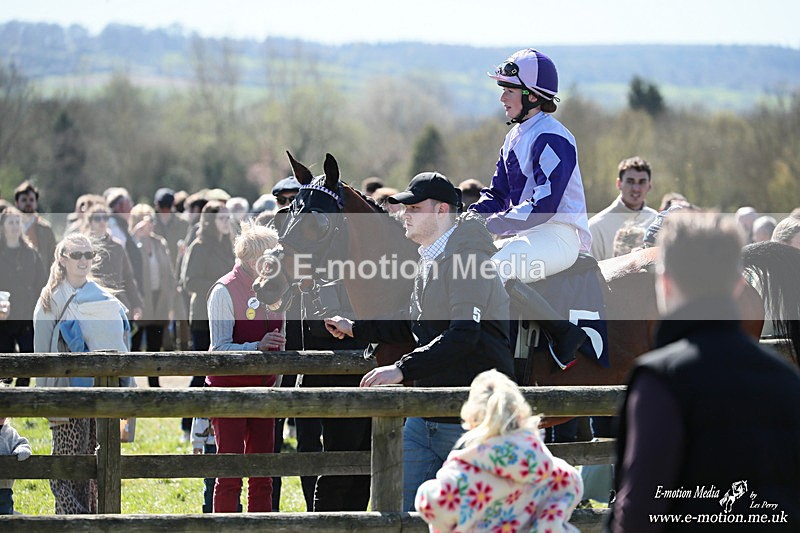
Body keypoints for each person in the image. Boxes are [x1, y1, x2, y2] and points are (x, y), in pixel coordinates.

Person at [324, 172, 514, 512]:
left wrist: (400, 369)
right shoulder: (429, 259)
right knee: (400, 513)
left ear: (442, 211)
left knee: (472, 520)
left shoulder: (469, 261)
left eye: (414, 207)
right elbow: (411, 322)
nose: (404, 213)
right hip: (424, 415)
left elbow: (463, 335)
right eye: (403, 207)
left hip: (470, 419)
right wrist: (357, 328)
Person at [609, 213, 800, 532]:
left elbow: (638, 508)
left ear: (665, 283)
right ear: (739, 283)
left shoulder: (657, 380)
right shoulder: (787, 379)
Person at [468, 48, 591, 365]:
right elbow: (496, 194)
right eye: (503, 89)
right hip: (526, 232)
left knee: (493, 271)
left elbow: (543, 206)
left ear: (533, 97)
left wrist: (490, 224)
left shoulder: (552, 136)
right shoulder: (513, 136)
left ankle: (563, 334)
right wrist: (466, 218)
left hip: (558, 235)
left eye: (509, 90)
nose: (503, 98)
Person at [33, 233, 131, 514]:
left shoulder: (104, 298)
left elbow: (120, 341)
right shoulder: (50, 299)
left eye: (89, 255)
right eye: (77, 255)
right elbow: (40, 355)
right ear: (62, 258)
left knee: (94, 462)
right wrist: (47, 398)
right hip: (65, 392)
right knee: (66, 462)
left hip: (100, 391)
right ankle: (72, 518)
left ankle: (92, 518)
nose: (84, 260)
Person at [415, 369, 583, 532]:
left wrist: (427, 488)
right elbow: (573, 491)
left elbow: (433, 505)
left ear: (473, 420)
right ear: (522, 415)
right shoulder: (559, 474)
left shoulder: (464, 475)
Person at [206, 220, 285, 512]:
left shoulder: (276, 289)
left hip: (265, 393)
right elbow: (219, 349)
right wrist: (257, 347)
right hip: (228, 393)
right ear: (252, 259)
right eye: (272, 256)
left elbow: (281, 336)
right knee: (230, 474)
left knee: (263, 475)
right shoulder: (223, 291)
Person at [180, 201, 235, 439]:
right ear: (210, 221)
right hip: (203, 315)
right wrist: (220, 287)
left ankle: (216, 423)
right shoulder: (199, 246)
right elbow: (189, 281)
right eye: (222, 218)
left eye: (227, 218)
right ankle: (186, 423)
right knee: (201, 371)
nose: (226, 222)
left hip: (228, 315)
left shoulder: (229, 245)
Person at [128, 203, 177, 386]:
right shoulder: (131, 244)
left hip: (159, 300)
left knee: (155, 345)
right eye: (144, 222)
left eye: (150, 222)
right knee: (134, 343)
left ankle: (154, 383)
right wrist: (135, 235)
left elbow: (170, 275)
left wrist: (171, 304)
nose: (149, 226)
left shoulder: (159, 242)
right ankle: (129, 381)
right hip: (140, 301)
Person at [0, 207, 47, 387]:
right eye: (10, 222)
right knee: (4, 367)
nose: (14, 226)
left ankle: (21, 404)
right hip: (4, 317)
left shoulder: (31, 254)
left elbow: (42, 284)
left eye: (17, 222)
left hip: (27, 315)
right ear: (2, 226)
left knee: (27, 363)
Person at [81, 204, 144, 321]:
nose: (102, 222)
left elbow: (128, 278)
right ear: (90, 222)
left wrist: (136, 305)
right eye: (97, 218)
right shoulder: (82, 248)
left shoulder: (117, 247)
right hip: (90, 307)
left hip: (117, 305)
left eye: (105, 218)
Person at [588, 156, 658, 261]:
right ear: (619, 184)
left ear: (649, 185)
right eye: (630, 181)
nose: (636, 188)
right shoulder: (595, 227)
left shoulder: (658, 223)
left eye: (642, 182)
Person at [13, 180, 57, 273]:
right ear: (16, 203)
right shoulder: (9, 226)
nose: (28, 203)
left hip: (39, 279)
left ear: (36, 202)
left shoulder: (46, 229)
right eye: (24, 200)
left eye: (31, 200)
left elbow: (53, 258)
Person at [0, 402, 32, 515]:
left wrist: (21, 450)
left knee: (5, 515)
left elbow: (22, 443)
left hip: (3, 489)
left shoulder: (9, 433)